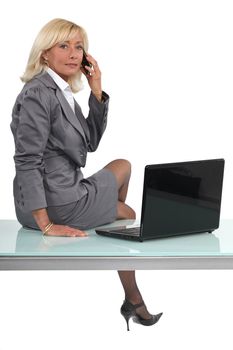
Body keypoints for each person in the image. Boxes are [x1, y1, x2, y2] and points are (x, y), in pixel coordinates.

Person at [10, 18, 162, 331]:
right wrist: (47, 224)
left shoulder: (61, 91)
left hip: (67, 188)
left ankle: (106, 234)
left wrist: (96, 91)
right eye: (63, 45)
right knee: (128, 214)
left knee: (123, 165)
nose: (74, 53)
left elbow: (90, 143)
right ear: (44, 54)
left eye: (79, 47)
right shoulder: (39, 94)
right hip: (53, 202)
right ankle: (132, 297)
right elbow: (27, 160)